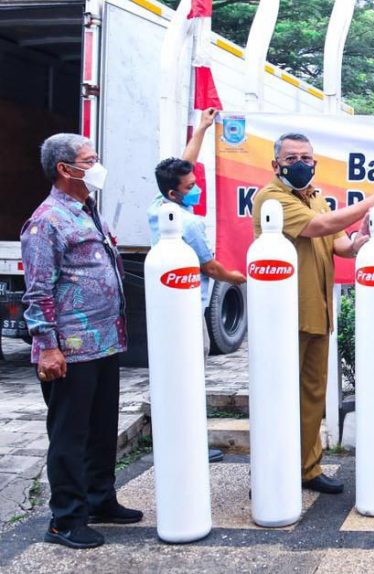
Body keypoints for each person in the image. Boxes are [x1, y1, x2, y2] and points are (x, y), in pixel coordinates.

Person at [252, 132, 374, 494]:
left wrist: (360, 239)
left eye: (306, 157)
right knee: (277, 396)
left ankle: (307, 468)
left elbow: (338, 244)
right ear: (276, 164)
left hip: (317, 312)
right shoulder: (271, 198)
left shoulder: (316, 198)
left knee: (312, 397)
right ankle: (270, 474)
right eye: (291, 158)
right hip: (283, 316)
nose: (300, 163)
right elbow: (316, 228)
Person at [21, 134, 143, 549]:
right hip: (70, 349)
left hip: (104, 342)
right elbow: (37, 291)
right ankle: (65, 520)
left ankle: (99, 499)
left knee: (101, 429)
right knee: (69, 435)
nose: (98, 165)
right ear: (65, 169)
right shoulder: (47, 221)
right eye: (91, 160)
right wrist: (48, 346)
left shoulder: (88, 212)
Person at [148, 108, 246, 463]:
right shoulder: (187, 224)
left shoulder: (158, 206)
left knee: (175, 374)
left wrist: (202, 129)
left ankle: (177, 441)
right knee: (190, 377)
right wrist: (242, 277)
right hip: (190, 309)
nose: (196, 189)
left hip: (169, 306)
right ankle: (188, 444)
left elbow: (184, 166)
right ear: (175, 194)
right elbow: (212, 267)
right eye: (190, 188)